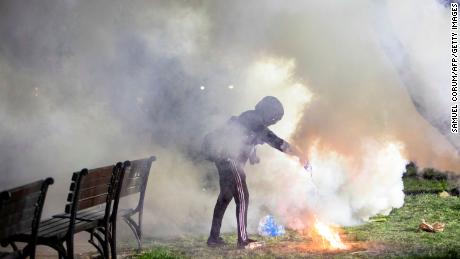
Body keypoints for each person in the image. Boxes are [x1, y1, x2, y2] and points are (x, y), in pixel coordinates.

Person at [203, 96, 308, 249]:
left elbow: (246, 138)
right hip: (229, 158)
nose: (275, 121)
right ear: (268, 111)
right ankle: (243, 240)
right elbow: (275, 141)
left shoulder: (251, 119)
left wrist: (253, 155)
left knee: (225, 197)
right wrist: (297, 153)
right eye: (275, 117)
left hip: (225, 159)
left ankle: (213, 238)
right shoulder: (253, 118)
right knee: (242, 196)